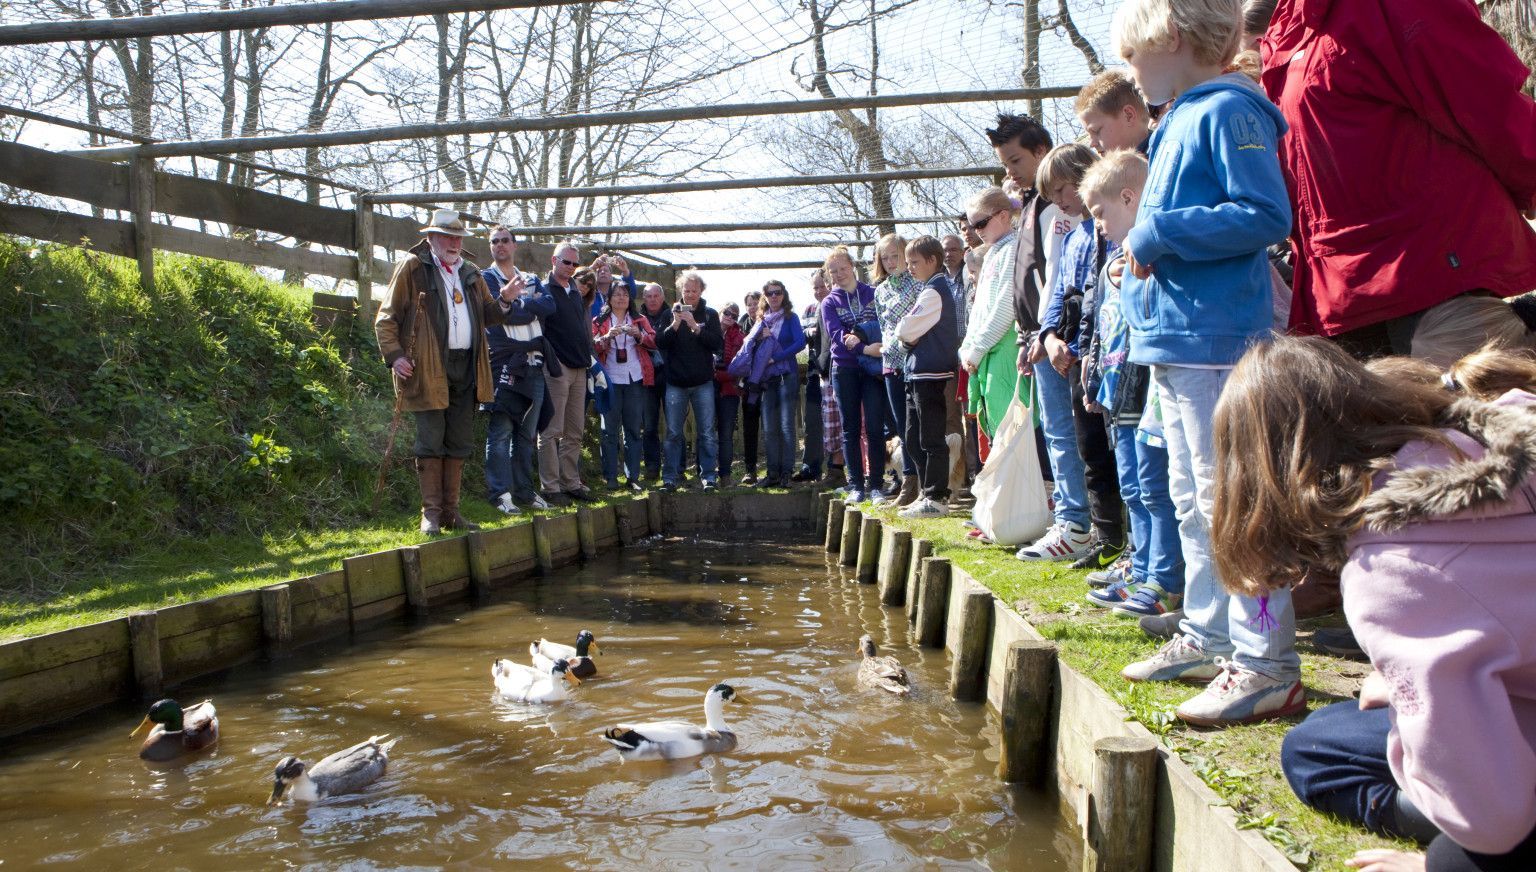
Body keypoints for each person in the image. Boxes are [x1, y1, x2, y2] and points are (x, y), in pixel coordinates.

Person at [1212, 337, 1536, 872]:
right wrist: (1406, 679)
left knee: (1462, 853)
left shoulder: (1391, 568)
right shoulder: (1503, 425)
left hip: (1505, 795)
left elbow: (1493, 822)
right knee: (1314, 743)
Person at [1112, 0, 1301, 726]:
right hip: (1178, 341)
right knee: (1194, 499)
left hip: (1219, 339)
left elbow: (1264, 215)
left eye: (1136, 60)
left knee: (1233, 497)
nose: (1132, 76)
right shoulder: (1175, 121)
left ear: (1176, 41)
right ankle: (1210, 630)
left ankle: (1265, 661)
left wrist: (1160, 231)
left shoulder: (1228, 113)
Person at [1261, 0, 1536, 365]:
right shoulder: (1291, 18)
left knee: (1470, 416)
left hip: (1432, 283)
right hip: (1347, 294)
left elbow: (1488, 106)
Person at [1077, 150, 1184, 618]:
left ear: (1129, 197)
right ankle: (1142, 568)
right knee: (1134, 487)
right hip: (1119, 389)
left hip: (1146, 389)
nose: (1097, 224)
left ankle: (1164, 577)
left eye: (1101, 214)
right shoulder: (1116, 260)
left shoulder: (1154, 254)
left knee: (1155, 487)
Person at [375, 209, 519, 534]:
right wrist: (395, 355)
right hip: (427, 368)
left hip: (466, 367)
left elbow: (489, 314)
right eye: (448, 237)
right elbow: (386, 318)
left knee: (459, 441)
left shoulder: (470, 272)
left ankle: (452, 512)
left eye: (458, 238)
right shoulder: (413, 268)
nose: (454, 243)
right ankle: (431, 514)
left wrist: (506, 300)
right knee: (430, 441)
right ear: (431, 238)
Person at [1018, 144, 1126, 567]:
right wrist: (1048, 335)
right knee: (1091, 451)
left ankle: (1125, 542)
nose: (1060, 200)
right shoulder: (1074, 235)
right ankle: (1107, 538)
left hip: (1110, 357)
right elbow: (1061, 292)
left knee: (1119, 452)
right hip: (1077, 358)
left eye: (1064, 189)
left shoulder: (1107, 231)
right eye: (1053, 194)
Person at [481, 224, 557, 514]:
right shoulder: (486, 278)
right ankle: (500, 493)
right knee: (500, 432)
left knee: (527, 434)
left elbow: (549, 307)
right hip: (504, 366)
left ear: (514, 245)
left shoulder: (531, 277)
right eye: (494, 241)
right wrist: (525, 305)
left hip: (535, 366)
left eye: (505, 241)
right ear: (491, 247)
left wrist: (517, 303)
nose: (500, 245)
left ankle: (524, 491)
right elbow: (502, 314)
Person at [894, 235, 959, 518]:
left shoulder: (935, 290)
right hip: (916, 372)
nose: (910, 268)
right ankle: (925, 492)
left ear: (933, 260)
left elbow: (906, 330)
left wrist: (905, 337)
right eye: (907, 263)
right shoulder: (927, 289)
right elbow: (908, 334)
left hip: (930, 372)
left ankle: (936, 497)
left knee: (931, 437)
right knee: (912, 437)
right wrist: (907, 338)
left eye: (915, 262)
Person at [821, 246, 886, 503]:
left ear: (852, 266)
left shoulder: (872, 293)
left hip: (872, 368)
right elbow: (837, 335)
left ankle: (877, 484)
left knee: (874, 425)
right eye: (833, 271)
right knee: (850, 428)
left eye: (843, 268)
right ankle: (857, 484)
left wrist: (868, 346)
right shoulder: (829, 302)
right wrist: (864, 347)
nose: (839, 274)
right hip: (845, 368)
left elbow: (883, 324)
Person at [957, 187, 1022, 443]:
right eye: (973, 225)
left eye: (982, 223)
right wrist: (968, 346)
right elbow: (981, 307)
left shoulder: (1013, 248)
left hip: (1004, 350)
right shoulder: (993, 251)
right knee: (996, 429)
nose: (977, 231)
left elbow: (1006, 305)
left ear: (1004, 215)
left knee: (1010, 432)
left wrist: (977, 347)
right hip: (987, 353)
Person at [537, 241, 597, 506]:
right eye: (566, 262)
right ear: (554, 260)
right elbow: (539, 330)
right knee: (551, 430)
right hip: (557, 367)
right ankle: (550, 487)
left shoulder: (575, 291)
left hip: (580, 367)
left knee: (575, 430)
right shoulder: (543, 290)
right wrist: (551, 360)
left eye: (574, 263)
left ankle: (570, 482)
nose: (571, 267)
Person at [657, 270, 723, 491]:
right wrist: (675, 325)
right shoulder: (669, 314)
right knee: (674, 432)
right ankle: (671, 477)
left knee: (705, 432)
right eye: (686, 290)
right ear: (680, 291)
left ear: (701, 291)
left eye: (694, 291)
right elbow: (661, 343)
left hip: (702, 382)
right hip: (676, 383)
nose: (690, 294)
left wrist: (695, 327)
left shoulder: (711, 315)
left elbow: (716, 344)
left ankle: (708, 477)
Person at [872, 233, 923, 506]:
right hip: (891, 363)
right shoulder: (880, 291)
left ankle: (928, 483)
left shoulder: (919, 284)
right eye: (885, 257)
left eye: (895, 255)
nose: (891, 262)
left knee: (919, 425)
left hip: (916, 360)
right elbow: (885, 328)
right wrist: (886, 353)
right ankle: (908, 482)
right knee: (901, 426)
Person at [592, 279, 656, 492]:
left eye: (625, 295)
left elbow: (654, 342)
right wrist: (606, 337)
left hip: (634, 379)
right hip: (609, 380)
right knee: (609, 431)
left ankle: (633, 477)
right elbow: (591, 346)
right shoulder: (599, 320)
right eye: (617, 294)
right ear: (609, 298)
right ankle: (610, 477)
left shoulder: (639, 319)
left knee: (633, 430)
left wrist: (639, 335)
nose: (621, 298)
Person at [742, 279, 806, 488]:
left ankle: (787, 472)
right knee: (769, 427)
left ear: (784, 295)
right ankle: (772, 474)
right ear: (765, 297)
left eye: (778, 292)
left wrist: (777, 355)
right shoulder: (762, 321)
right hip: (767, 379)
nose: (774, 297)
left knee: (787, 426)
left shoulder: (790, 317)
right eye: (770, 293)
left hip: (786, 376)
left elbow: (800, 342)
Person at [793, 269, 829, 482]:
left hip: (835, 373)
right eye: (815, 287)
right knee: (812, 422)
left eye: (821, 286)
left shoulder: (837, 304)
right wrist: (809, 333)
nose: (818, 291)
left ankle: (838, 467)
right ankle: (811, 467)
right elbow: (801, 338)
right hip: (815, 372)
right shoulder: (809, 309)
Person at [638, 282, 672, 481]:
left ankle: (676, 467)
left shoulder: (672, 316)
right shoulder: (637, 318)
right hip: (646, 377)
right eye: (648, 296)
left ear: (662, 297)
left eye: (656, 296)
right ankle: (652, 467)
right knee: (649, 426)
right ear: (644, 298)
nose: (652, 300)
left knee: (674, 425)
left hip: (669, 376)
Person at [1075, 70, 1152, 155]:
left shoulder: (1164, 154)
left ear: (1128, 116)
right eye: (1089, 135)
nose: (1092, 144)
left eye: (1097, 131)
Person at [714, 302, 746, 485]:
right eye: (727, 312)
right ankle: (707, 475)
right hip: (708, 386)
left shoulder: (739, 338)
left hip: (729, 389)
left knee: (725, 434)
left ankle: (725, 475)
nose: (729, 317)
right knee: (706, 432)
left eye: (734, 315)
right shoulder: (708, 331)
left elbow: (738, 368)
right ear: (720, 311)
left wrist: (717, 375)